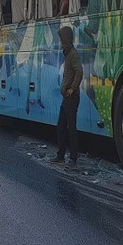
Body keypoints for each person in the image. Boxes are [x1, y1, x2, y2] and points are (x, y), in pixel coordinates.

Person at [51, 26, 83, 168]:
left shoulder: (73, 54)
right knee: (61, 126)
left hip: (72, 98)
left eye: (61, 39)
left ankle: (73, 158)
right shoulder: (68, 53)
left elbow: (79, 72)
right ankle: (61, 156)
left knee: (71, 128)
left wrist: (73, 88)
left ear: (65, 39)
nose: (60, 42)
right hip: (67, 98)